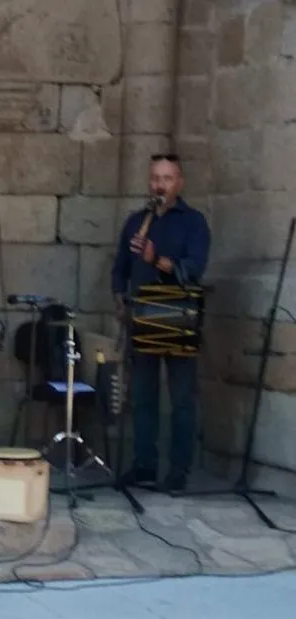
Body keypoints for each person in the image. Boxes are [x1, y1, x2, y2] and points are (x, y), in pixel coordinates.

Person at [111, 153, 211, 492]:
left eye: (167, 178)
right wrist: (118, 297)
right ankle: (144, 465)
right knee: (142, 395)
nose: (159, 184)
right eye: (155, 178)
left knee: (182, 397)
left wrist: (158, 260)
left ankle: (179, 470)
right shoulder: (136, 220)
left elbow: (194, 268)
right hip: (142, 316)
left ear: (179, 183)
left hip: (178, 316)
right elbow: (120, 266)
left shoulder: (194, 221)